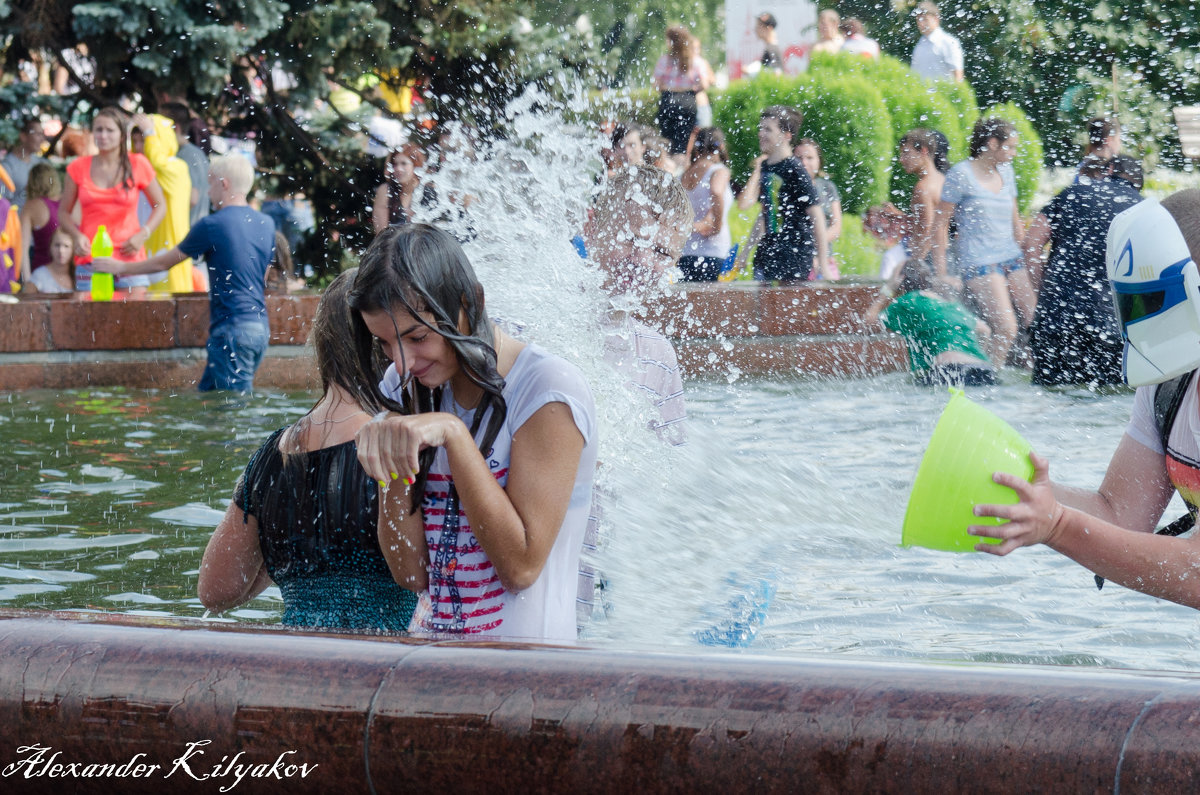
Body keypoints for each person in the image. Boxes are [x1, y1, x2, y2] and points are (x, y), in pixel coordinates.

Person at [349, 224, 598, 641]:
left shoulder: (546, 391)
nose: (402, 362)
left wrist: (453, 434)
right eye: (385, 344)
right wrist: (392, 468)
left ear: (472, 302)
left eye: (417, 337)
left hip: (529, 677)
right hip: (428, 662)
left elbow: (521, 567)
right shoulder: (403, 387)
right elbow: (411, 573)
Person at [970, 190, 1200, 611]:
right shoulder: (1170, 375)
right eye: (1130, 302)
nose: (1141, 322)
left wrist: (1057, 525)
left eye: (1153, 301)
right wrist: (1004, 488)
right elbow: (1116, 514)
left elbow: (1197, 575)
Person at [198, 270, 428, 630]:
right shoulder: (401, 443)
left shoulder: (273, 454)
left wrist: (285, 557)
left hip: (297, 660)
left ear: (323, 344)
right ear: (385, 343)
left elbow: (216, 590)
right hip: (388, 660)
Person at [579, 164, 691, 627]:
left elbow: (670, 488)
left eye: (662, 251)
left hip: (596, 599)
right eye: (632, 238)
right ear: (591, 226)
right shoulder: (528, 326)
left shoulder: (657, 355)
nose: (643, 260)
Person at [93, 155, 276, 393]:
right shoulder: (266, 223)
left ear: (225, 184)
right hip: (259, 328)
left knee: (236, 411)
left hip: (231, 331)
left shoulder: (212, 225)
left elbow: (164, 264)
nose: (208, 192)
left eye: (210, 184)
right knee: (208, 395)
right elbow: (264, 274)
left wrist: (121, 268)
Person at [1022, 155, 1142, 386]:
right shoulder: (1142, 209)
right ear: (1138, 184)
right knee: (1105, 403)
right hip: (1111, 327)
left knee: (1050, 400)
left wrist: (1044, 291)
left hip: (1056, 319)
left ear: (1108, 170)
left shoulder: (1072, 194)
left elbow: (1031, 245)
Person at [932, 117, 1034, 367]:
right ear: (991, 143)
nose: (1014, 153)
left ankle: (1040, 373)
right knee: (1006, 327)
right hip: (979, 262)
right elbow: (940, 224)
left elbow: (1015, 220)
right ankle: (990, 376)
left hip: (1011, 257)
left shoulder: (1007, 172)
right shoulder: (961, 174)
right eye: (1010, 147)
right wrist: (942, 273)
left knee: (1035, 319)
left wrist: (1029, 259)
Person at [58, 107, 167, 296]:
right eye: (98, 129)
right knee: (85, 322)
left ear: (122, 135)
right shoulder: (77, 167)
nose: (103, 135)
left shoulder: (138, 163)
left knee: (135, 321)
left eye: (109, 130)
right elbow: (63, 213)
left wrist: (144, 233)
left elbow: (160, 205)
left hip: (129, 258)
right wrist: (76, 236)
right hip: (90, 258)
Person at [737, 105, 830, 284]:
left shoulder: (796, 170)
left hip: (794, 256)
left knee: (784, 309)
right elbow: (766, 213)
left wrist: (823, 263)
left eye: (768, 129)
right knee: (763, 309)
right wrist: (746, 252)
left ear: (786, 136)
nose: (761, 133)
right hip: (768, 252)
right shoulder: (766, 167)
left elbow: (817, 216)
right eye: (761, 128)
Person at [866, 258, 994, 386]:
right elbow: (985, 331)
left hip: (948, 371)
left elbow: (868, 322)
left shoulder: (909, 301)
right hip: (983, 370)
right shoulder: (951, 304)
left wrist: (888, 289)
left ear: (900, 279)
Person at [132, 112, 195, 293]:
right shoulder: (136, 171)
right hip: (142, 250)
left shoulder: (176, 167)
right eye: (135, 142)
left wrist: (150, 132)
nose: (138, 147)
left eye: (143, 141)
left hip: (169, 253)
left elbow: (158, 163)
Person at [679, 128, 734, 282]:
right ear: (721, 147)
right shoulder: (718, 171)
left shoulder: (683, 175)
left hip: (686, 253)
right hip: (713, 253)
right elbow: (716, 192)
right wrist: (717, 226)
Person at [653, 25, 710, 164]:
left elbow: (656, 84)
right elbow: (705, 83)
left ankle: (668, 171)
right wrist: (690, 89)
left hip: (668, 101)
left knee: (667, 142)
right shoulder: (695, 61)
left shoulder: (665, 60)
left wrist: (671, 88)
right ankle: (681, 173)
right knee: (683, 144)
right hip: (688, 102)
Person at [898, 128, 949, 264]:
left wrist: (915, 265)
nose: (901, 160)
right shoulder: (943, 181)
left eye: (906, 153)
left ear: (924, 151)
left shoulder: (923, 188)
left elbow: (927, 233)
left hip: (930, 260)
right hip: (948, 257)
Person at [795, 137, 842, 280]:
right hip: (798, 262)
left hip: (826, 260)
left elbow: (836, 227)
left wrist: (818, 251)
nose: (804, 162)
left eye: (810, 158)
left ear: (819, 161)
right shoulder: (789, 188)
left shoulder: (828, 188)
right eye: (799, 158)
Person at [160, 102, 211, 228]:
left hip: (185, 234)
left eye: (160, 125)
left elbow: (192, 199)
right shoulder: (197, 153)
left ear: (175, 128)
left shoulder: (184, 156)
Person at [371, 143, 434, 233]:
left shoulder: (429, 192)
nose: (398, 168)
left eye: (404, 164)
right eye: (395, 164)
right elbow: (381, 234)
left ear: (416, 166)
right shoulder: (386, 191)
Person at [18, 163, 61, 274]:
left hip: (42, 274)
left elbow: (22, 248)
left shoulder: (31, 206)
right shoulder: (69, 203)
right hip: (72, 274)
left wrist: (27, 282)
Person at [1, 118, 48, 209]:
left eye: (42, 134)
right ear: (23, 136)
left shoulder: (41, 163)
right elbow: (3, 204)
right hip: (16, 221)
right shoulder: (7, 167)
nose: (42, 139)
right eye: (38, 134)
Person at [911, 1, 964, 82]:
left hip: (944, 93)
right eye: (918, 19)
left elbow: (958, 76)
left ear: (936, 18)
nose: (921, 23)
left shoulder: (949, 43)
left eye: (925, 19)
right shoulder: (920, 44)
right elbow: (914, 75)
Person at [25, 227, 74, 295]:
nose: (61, 251)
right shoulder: (39, 275)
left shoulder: (79, 275)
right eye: (57, 245)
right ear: (50, 247)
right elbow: (27, 303)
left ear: (73, 250)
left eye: (66, 246)